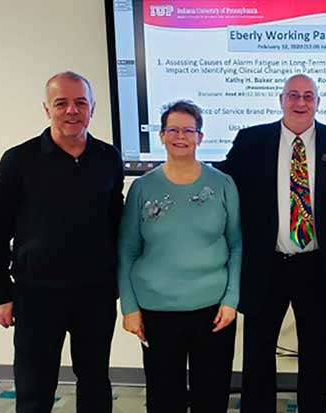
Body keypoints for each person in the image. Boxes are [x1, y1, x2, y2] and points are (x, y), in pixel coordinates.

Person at [0, 71, 124, 412]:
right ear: (48, 109)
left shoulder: (108, 157)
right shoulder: (18, 161)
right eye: (62, 103)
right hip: (37, 294)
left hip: (96, 293)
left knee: (95, 380)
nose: (71, 110)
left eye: (80, 102)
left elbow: (114, 222)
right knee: (35, 384)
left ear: (93, 108)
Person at [220, 74, 326, 412]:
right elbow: (223, 189)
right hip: (267, 265)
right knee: (259, 351)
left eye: (308, 96)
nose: (300, 102)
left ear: (318, 102)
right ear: (280, 100)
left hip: (317, 266)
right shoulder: (251, 140)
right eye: (293, 95)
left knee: (316, 352)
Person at [118, 100, 241, 413]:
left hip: (213, 310)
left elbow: (237, 244)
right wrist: (129, 307)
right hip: (157, 309)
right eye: (172, 129)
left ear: (200, 137)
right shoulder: (142, 188)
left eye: (189, 130)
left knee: (211, 397)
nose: (180, 136)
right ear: (160, 136)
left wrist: (231, 299)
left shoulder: (223, 184)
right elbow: (128, 249)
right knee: (163, 398)